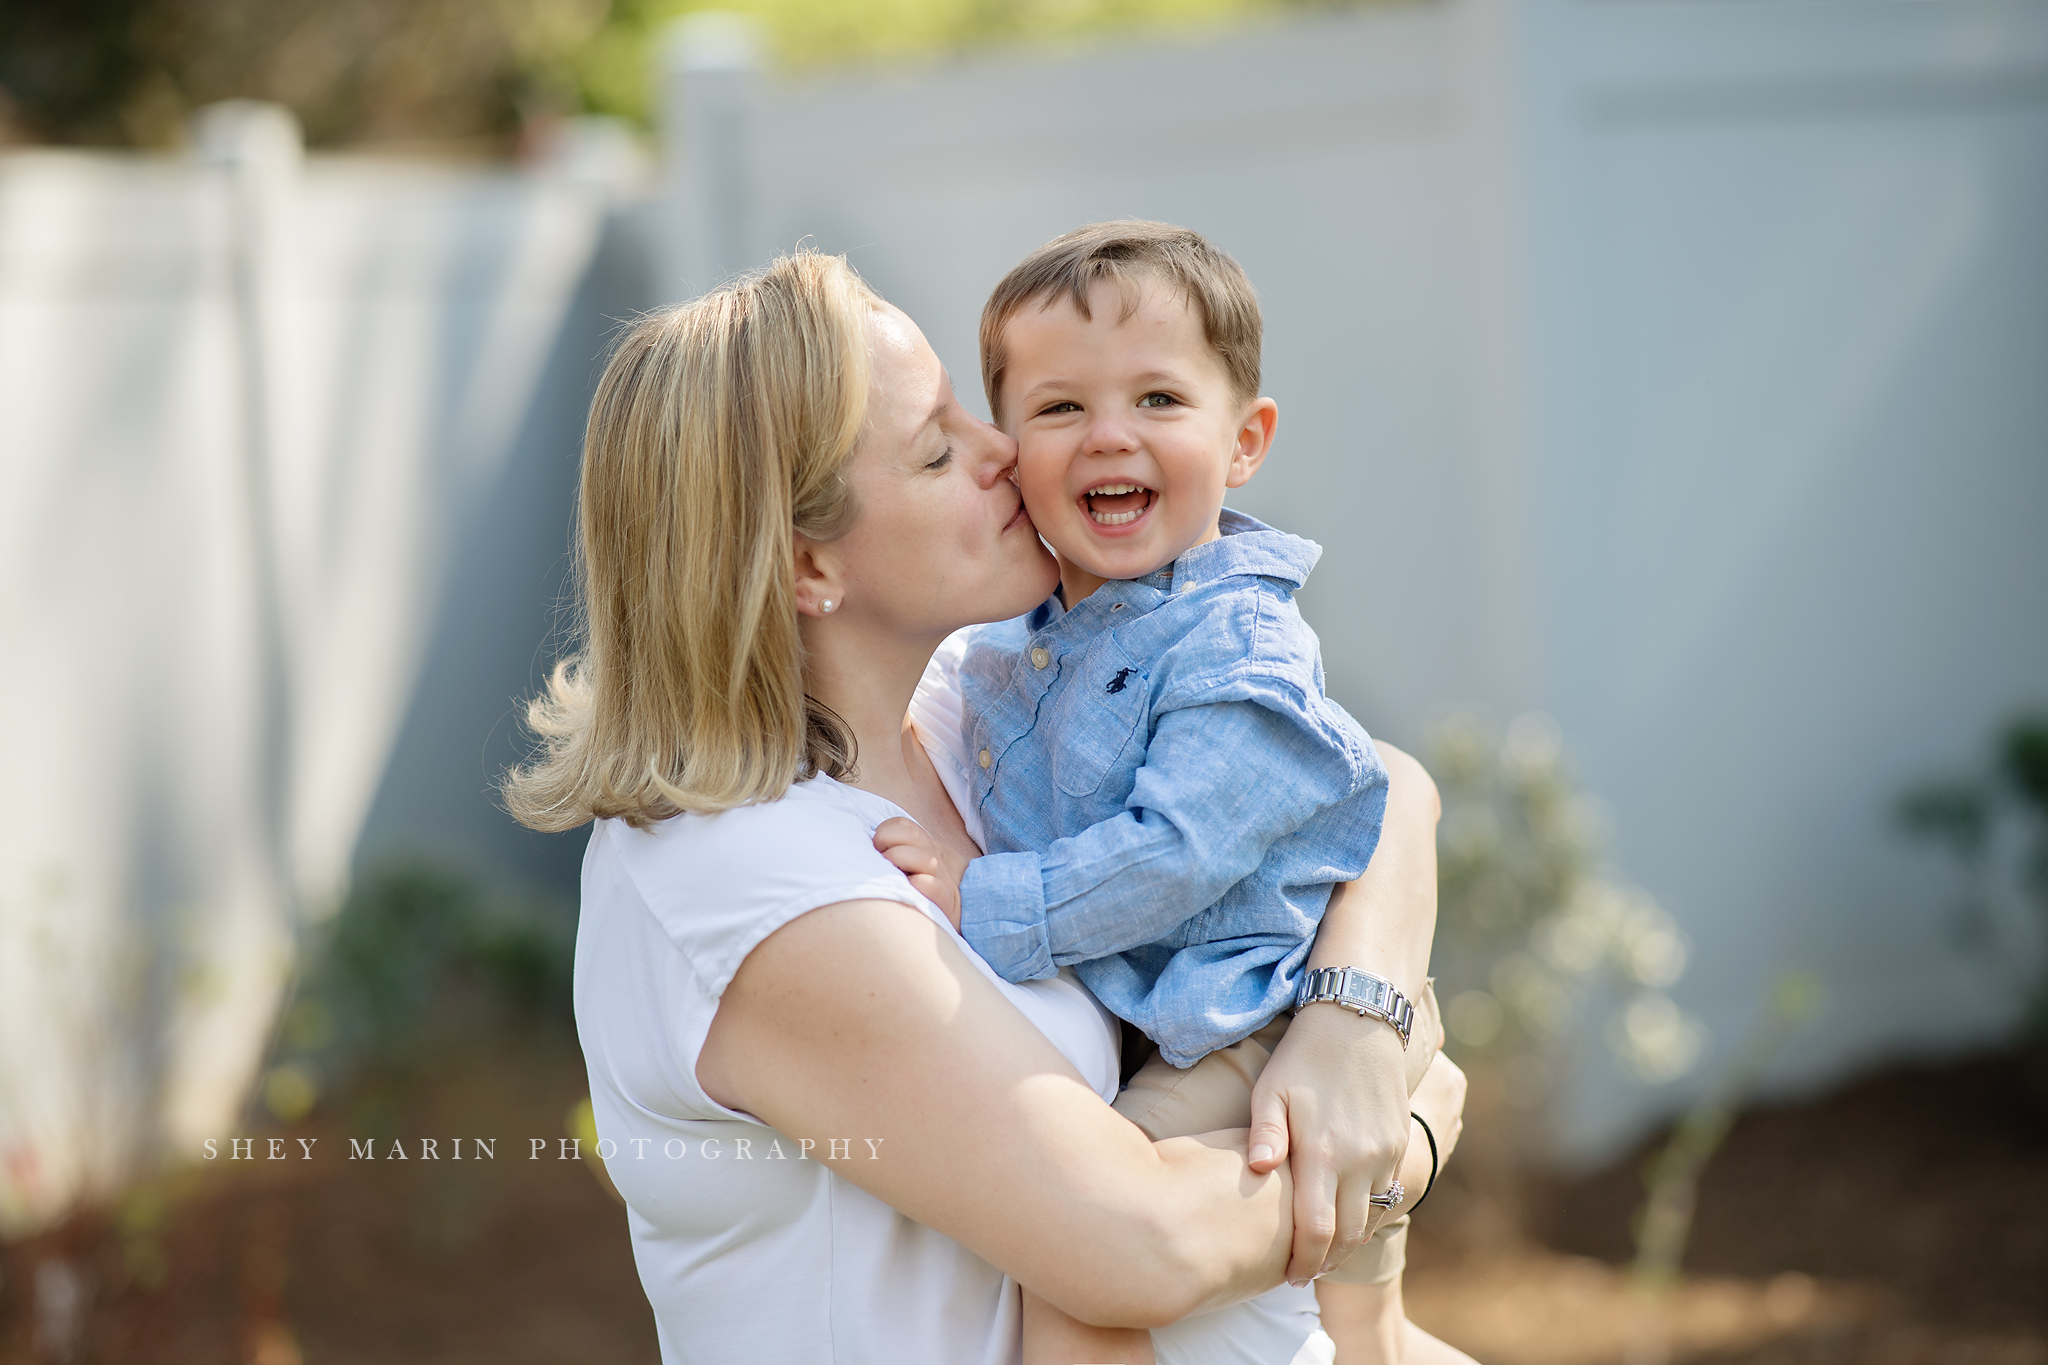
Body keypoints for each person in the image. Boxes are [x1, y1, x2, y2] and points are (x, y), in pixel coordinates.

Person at [502, 248, 1465, 1365]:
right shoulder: (750, 883)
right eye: (936, 448)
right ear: (809, 564)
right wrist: (1408, 1133)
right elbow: (1133, 1246)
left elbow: (1381, 781)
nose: (1005, 448)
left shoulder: (972, 706)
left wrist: (1351, 1027)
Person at [874, 221, 1465, 1365]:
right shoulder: (1018, 641)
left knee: (1080, 1270)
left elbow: (1176, 851)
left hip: (1251, 1019)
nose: (1109, 436)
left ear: (1243, 441)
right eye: (1058, 409)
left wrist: (984, 902)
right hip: (1185, 1018)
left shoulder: (1237, 644)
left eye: (1156, 399)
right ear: (1007, 450)